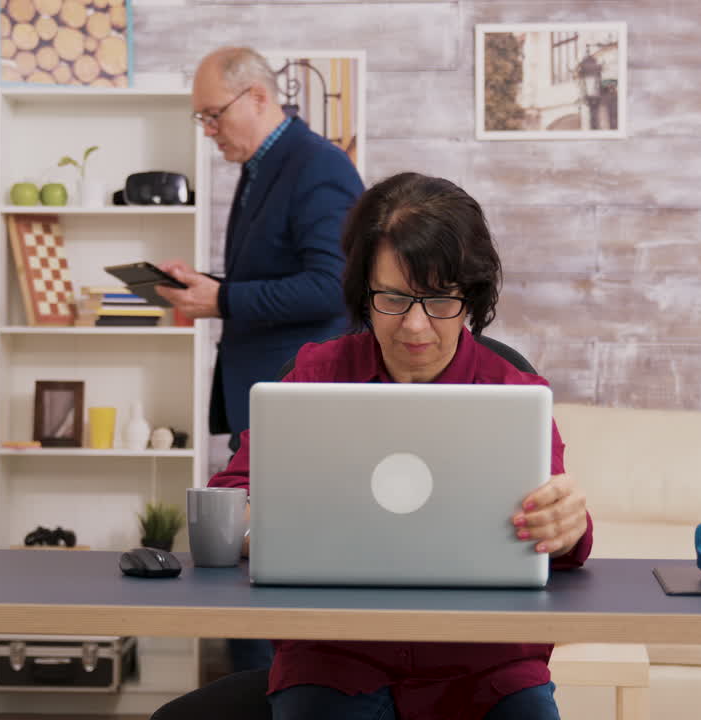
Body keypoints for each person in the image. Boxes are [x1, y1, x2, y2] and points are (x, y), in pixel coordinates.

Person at [152, 172, 593, 720]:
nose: (414, 326)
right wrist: (256, 524)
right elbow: (230, 499)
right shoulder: (316, 377)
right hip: (335, 658)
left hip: (486, 667)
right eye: (392, 298)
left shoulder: (514, 394)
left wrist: (567, 524)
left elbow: (565, 542)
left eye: (437, 300)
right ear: (365, 291)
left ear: (469, 295)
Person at [155, 46, 364, 448]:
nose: (208, 130)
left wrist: (224, 299)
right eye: (202, 118)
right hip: (267, 405)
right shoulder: (263, 167)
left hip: (299, 408)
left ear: (258, 97)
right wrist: (205, 288)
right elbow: (272, 275)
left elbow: (333, 287)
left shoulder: (319, 164)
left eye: (214, 115)